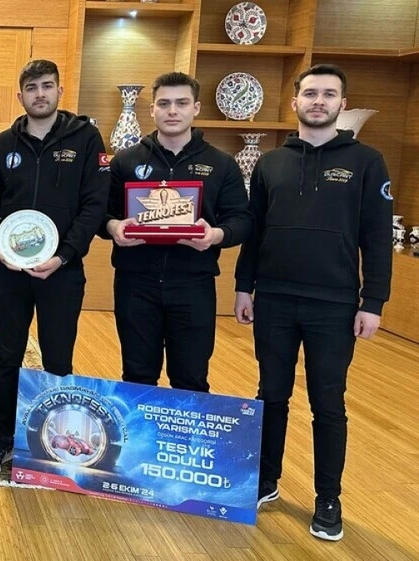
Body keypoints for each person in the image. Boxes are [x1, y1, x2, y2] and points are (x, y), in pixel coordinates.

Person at [234, 64, 392, 542]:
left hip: (335, 304)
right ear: (295, 102)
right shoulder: (270, 163)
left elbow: (377, 238)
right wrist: (244, 286)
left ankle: (328, 498)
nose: (318, 101)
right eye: (310, 93)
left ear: (342, 103)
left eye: (328, 94)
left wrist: (373, 301)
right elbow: (255, 232)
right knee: (271, 394)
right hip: (274, 299)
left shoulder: (367, 162)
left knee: (328, 403)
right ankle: (265, 480)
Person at [0, 59, 109, 476]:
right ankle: (4, 437)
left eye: (47, 86)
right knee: (7, 355)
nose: (40, 94)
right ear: (20, 96)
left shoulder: (86, 139)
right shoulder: (3, 144)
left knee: (57, 357)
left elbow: (95, 204)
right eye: (31, 88)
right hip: (9, 272)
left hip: (62, 272)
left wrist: (63, 255)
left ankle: (53, 443)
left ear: (59, 91)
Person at [103, 71, 251, 392]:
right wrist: (114, 227)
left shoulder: (221, 164)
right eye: (164, 103)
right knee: (137, 376)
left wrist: (215, 235)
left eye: (182, 103)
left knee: (191, 379)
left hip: (193, 285)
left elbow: (241, 220)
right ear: (152, 109)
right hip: (135, 283)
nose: (172, 111)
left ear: (195, 108)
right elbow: (101, 213)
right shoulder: (126, 161)